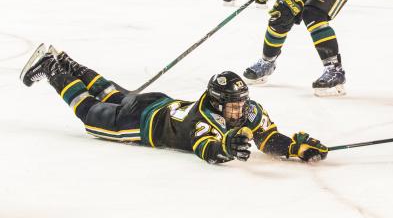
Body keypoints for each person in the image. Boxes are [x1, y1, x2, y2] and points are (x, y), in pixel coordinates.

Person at [20, 44, 327, 165]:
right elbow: (206, 148)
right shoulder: (203, 120)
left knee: (112, 95)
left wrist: (295, 149)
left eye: (241, 103)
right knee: (90, 114)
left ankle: (67, 61)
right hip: (140, 124)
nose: (239, 110)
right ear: (218, 104)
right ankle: (53, 68)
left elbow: (268, 136)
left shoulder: (246, 110)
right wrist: (227, 148)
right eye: (232, 105)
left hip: (157, 103)